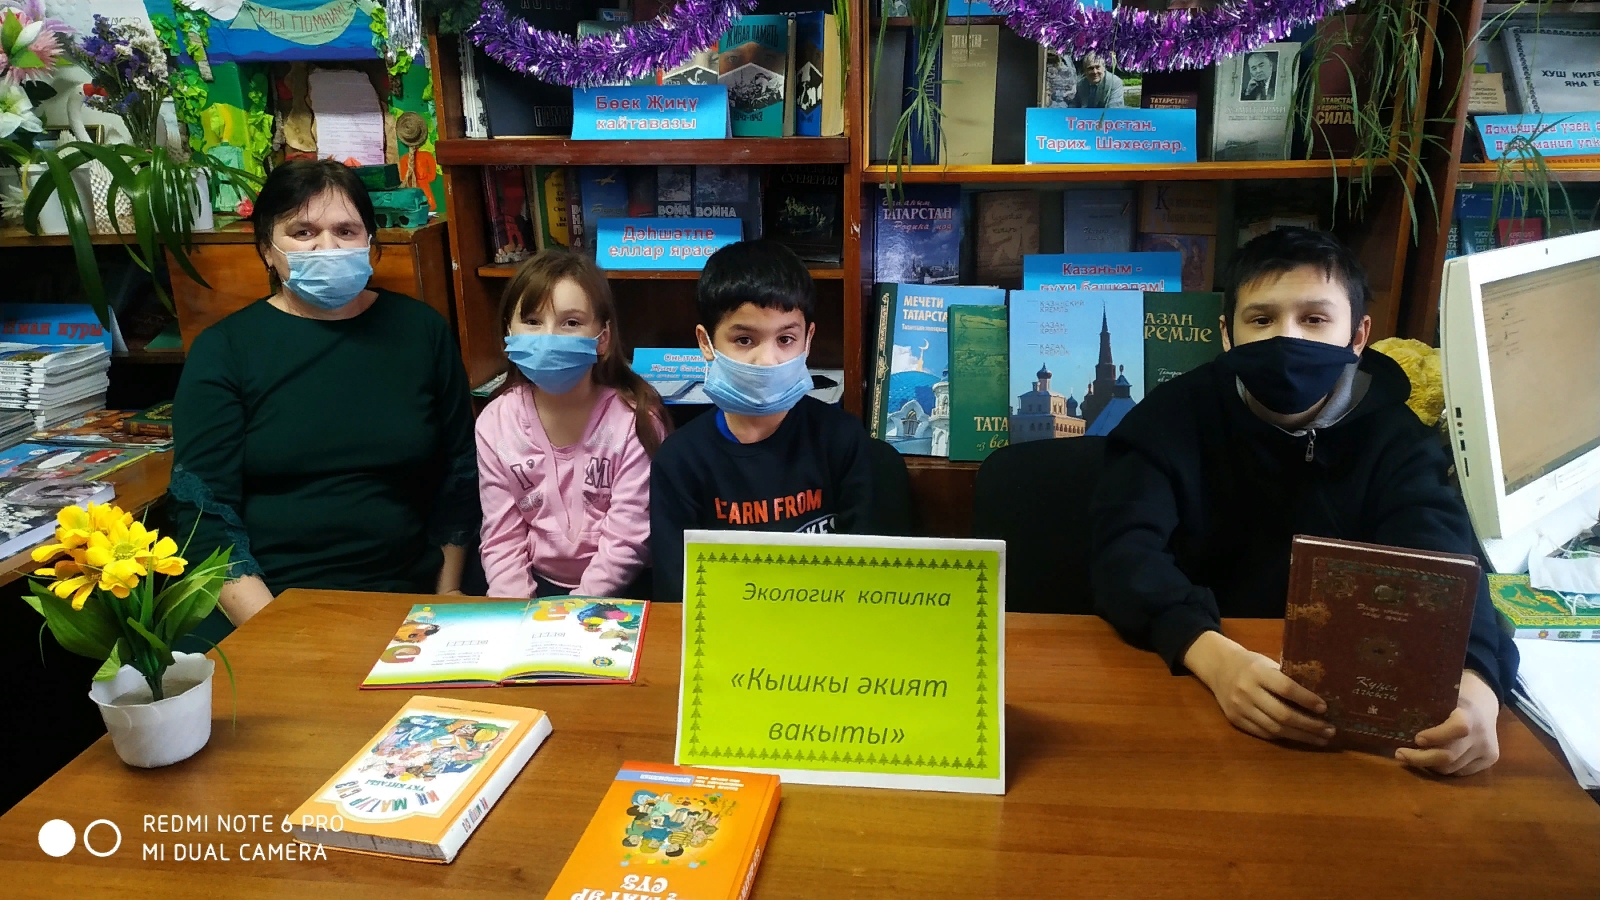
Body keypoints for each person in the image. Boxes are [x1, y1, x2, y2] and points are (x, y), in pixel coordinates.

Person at [1091, 227, 1518, 777]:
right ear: (1226, 334)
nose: (1286, 338)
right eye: (1261, 319)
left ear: (1358, 335)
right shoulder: (1168, 418)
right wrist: (1212, 656)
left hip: (1347, 706)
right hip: (1199, 688)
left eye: (1314, 319)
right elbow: (1122, 553)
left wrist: (1477, 684)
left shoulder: (1397, 438)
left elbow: (1449, 567)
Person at [169, 159, 478, 625]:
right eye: (304, 232)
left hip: (409, 594)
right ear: (267, 249)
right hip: (267, 602)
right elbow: (202, 512)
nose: (327, 247)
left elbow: (460, 474)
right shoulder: (225, 349)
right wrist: (276, 631)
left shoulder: (422, 331)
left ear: (371, 244)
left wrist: (447, 591)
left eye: (346, 231)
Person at [649, 240, 873, 602]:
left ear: (808, 340)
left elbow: (872, 578)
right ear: (706, 343)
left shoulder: (843, 441)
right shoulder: (680, 461)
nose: (767, 359)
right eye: (744, 340)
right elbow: (678, 594)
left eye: (786, 338)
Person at [476, 249, 667, 599]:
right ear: (509, 331)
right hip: (535, 586)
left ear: (602, 338)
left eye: (571, 323)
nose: (549, 337)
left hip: (622, 589)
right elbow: (502, 537)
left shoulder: (634, 422)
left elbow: (627, 539)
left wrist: (573, 613)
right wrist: (513, 610)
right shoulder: (495, 423)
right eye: (532, 321)